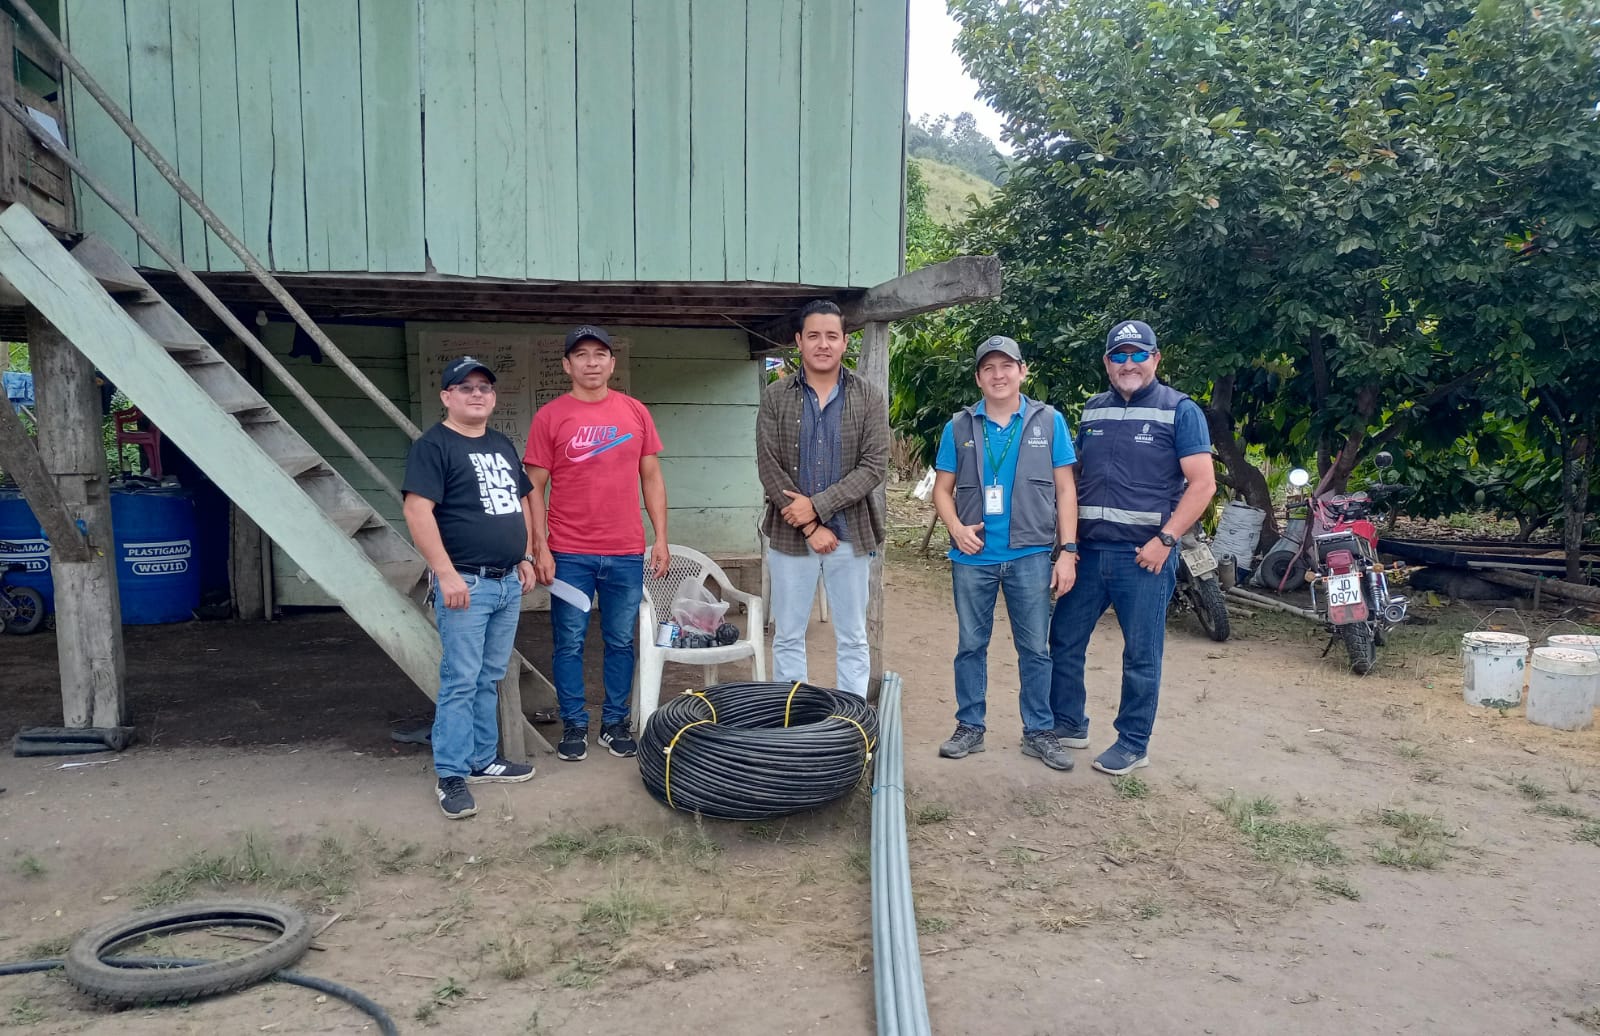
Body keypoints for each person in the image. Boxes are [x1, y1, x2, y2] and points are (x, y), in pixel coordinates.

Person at [1048, 319, 1216, 775]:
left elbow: (1203, 484)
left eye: (1138, 354)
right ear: (1107, 363)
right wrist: (1067, 545)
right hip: (1088, 553)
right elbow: (1073, 478)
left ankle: (1132, 743)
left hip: (1144, 558)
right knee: (1063, 640)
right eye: (1119, 356)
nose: (1129, 363)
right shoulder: (1093, 410)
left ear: (1155, 359)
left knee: (1141, 655)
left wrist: (1165, 540)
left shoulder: (1180, 410)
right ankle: (1068, 722)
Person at [931, 335, 1080, 771]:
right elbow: (942, 490)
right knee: (970, 646)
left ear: (1022, 371)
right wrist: (956, 528)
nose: (998, 375)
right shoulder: (958, 427)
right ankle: (969, 727)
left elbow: (1067, 490)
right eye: (989, 368)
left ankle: (1038, 731)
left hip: (1030, 555)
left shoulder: (1049, 422)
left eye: (1006, 366)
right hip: (972, 557)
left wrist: (1067, 550)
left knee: (1035, 649)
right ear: (978, 378)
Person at [524, 325, 670, 763]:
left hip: (626, 551)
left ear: (612, 363)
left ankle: (614, 724)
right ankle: (574, 725)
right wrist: (539, 546)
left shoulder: (635, 412)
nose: (592, 362)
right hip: (570, 553)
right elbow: (533, 487)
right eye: (582, 355)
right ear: (567, 365)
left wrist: (661, 538)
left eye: (600, 354)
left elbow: (651, 477)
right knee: (569, 641)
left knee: (621, 641)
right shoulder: (550, 417)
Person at [402, 356, 539, 820]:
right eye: (465, 387)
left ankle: (482, 759)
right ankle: (451, 775)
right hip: (466, 582)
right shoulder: (433, 446)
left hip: (506, 582)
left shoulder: (500, 443)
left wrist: (525, 555)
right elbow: (417, 511)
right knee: (460, 680)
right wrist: (445, 573)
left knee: (488, 676)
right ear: (447, 396)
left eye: (484, 387)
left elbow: (520, 500)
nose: (476, 393)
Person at [756, 299, 888, 696]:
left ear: (845, 341)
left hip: (850, 534)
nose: (823, 344)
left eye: (832, 336)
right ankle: (794, 719)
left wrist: (816, 507)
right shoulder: (776, 397)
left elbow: (873, 466)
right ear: (799, 341)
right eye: (813, 336)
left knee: (853, 637)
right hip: (789, 537)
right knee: (788, 635)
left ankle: (851, 722)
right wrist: (811, 526)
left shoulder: (869, 397)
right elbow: (768, 465)